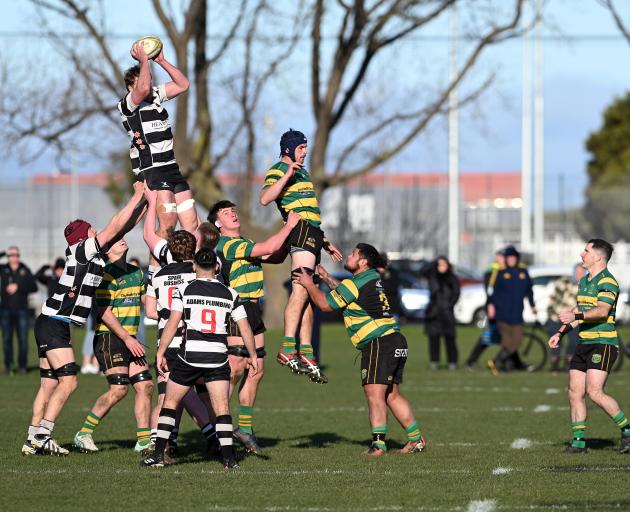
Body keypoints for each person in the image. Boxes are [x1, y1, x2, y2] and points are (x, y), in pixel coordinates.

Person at [21, 183, 146, 456]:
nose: (96, 232)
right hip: (54, 322)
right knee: (70, 382)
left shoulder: (90, 254)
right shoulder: (81, 251)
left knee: (49, 384)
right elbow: (114, 227)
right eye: (91, 230)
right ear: (82, 237)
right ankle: (43, 436)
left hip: (51, 322)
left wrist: (146, 201)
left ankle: (32, 438)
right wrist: (136, 195)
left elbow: (122, 228)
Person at [293, 243, 426, 456]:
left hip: (378, 343)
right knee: (391, 394)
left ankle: (378, 445)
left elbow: (325, 305)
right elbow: (349, 294)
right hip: (395, 339)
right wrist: (327, 278)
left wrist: (309, 284)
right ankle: (416, 439)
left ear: (363, 261)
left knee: (374, 394)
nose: (349, 256)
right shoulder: (369, 278)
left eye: (354, 254)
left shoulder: (356, 282)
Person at [141, 248, 259, 468]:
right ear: (216, 267)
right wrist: (252, 355)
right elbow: (245, 328)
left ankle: (158, 455)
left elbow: (173, 323)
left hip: (190, 357)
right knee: (222, 408)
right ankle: (229, 459)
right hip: (217, 358)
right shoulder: (230, 293)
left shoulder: (184, 289)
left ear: (194, 266)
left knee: (170, 403)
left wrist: (159, 352)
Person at [210, 200, 300, 453]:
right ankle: (218, 430)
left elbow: (275, 254)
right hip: (235, 309)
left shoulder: (247, 244)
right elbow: (270, 246)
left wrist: (291, 235)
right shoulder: (227, 245)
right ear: (218, 224)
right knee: (235, 368)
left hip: (253, 310)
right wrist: (289, 226)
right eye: (226, 213)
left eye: (234, 210)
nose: (233, 214)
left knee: (256, 369)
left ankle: (245, 431)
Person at [259, 129, 342, 383]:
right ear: (289, 149)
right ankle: (287, 347)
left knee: (308, 294)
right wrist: (287, 175)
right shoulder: (279, 169)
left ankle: (305, 350)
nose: (305, 152)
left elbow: (308, 208)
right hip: (301, 232)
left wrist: (325, 241)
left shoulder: (303, 172)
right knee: (301, 287)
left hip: (313, 233)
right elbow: (265, 198)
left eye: (306, 148)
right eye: (301, 148)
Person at [118, 42, 196, 272]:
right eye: (145, 80)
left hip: (171, 167)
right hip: (152, 169)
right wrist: (144, 61)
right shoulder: (128, 104)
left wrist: (160, 60)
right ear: (131, 85)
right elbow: (141, 89)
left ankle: (188, 271)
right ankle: (155, 275)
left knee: (190, 223)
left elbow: (183, 84)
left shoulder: (155, 96)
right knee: (168, 224)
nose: (149, 84)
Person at [548, 239, 630, 454]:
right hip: (585, 343)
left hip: (603, 343)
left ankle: (628, 431)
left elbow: (602, 311)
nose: (581, 254)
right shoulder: (585, 281)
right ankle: (578, 442)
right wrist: (560, 332)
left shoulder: (608, 282)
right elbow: (580, 311)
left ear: (598, 257)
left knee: (594, 392)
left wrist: (575, 314)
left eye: (586, 251)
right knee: (574, 392)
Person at [73, 239, 153, 454]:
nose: (123, 240)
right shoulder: (104, 275)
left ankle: (144, 440)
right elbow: (104, 311)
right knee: (119, 389)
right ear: (107, 251)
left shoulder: (137, 273)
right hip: (111, 338)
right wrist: (127, 339)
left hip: (131, 338)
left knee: (145, 385)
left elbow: (150, 306)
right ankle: (83, 434)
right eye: (117, 240)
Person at [145, 230, 220, 460]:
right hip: (194, 340)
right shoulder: (197, 272)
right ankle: (211, 436)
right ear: (193, 249)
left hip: (166, 340)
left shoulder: (156, 275)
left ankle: (160, 442)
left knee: (167, 395)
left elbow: (149, 312)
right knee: (192, 392)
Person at [487, 246, 536, 374]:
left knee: (517, 340)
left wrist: (532, 305)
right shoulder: (500, 272)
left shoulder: (523, 272)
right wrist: (492, 306)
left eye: (513, 257)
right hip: (502, 314)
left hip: (517, 313)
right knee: (507, 342)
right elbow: (492, 292)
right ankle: (505, 367)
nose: (511, 260)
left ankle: (497, 362)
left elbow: (529, 290)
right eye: (509, 257)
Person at [0, 246, 38, 374]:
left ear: (19, 256)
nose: (13, 257)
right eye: (10, 255)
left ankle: (22, 366)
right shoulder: (3, 269)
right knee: (6, 339)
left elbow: (34, 287)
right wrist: (3, 253)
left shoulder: (25, 270)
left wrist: (19, 286)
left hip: (22, 310)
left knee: (23, 340)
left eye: (15, 255)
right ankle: (9, 365)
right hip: (5, 310)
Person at [465, 249, 505, 369]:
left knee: (509, 337)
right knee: (488, 336)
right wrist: (491, 306)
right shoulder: (492, 270)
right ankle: (471, 361)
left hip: (503, 308)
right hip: (494, 308)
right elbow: (490, 291)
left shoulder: (505, 270)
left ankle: (511, 362)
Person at [422, 256, 460, 370]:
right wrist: (434, 262)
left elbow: (456, 293)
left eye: (444, 264)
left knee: (450, 339)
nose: (441, 267)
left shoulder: (452, 277)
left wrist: (449, 304)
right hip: (433, 312)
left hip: (447, 312)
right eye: (439, 264)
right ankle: (434, 362)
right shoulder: (432, 276)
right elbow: (423, 270)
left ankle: (452, 362)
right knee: (433, 339)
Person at [546, 263, 585, 372]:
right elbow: (553, 299)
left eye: (581, 272)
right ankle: (555, 366)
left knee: (573, 342)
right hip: (556, 316)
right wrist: (560, 312)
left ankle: (569, 365)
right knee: (556, 343)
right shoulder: (564, 282)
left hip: (574, 319)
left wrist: (572, 314)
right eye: (577, 271)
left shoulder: (586, 285)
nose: (579, 274)